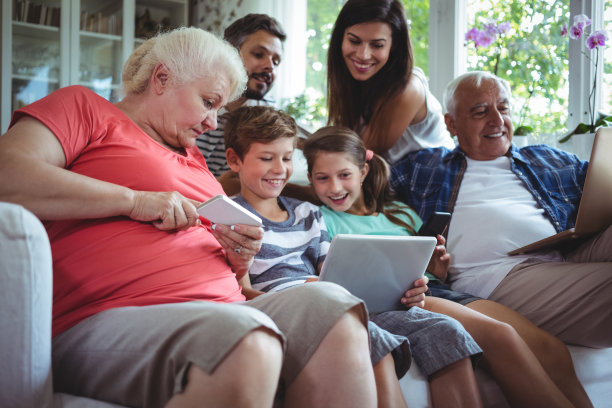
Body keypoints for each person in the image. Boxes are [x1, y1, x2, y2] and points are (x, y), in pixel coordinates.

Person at [0, 27, 379, 408]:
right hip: (110, 315)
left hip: (229, 311)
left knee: (335, 308)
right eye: (208, 102)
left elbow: (237, 283)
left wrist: (239, 261)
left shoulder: (195, 161)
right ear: (162, 78)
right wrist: (134, 201)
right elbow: (7, 174)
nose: (213, 122)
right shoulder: (85, 109)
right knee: (245, 338)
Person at [303, 126, 594, 408]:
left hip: (437, 290)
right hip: (403, 300)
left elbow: (430, 272)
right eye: (322, 178)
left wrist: (437, 266)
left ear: (363, 171)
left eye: (344, 175)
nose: (335, 187)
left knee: (552, 351)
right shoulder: (321, 220)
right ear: (310, 179)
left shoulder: (399, 213)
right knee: (501, 337)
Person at [223, 105, 485, 408]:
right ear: (234, 160)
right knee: (371, 336)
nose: (280, 169)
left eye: (285, 158)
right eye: (267, 158)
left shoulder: (306, 213)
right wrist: (308, 293)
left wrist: (399, 291)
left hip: (336, 298)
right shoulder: (231, 217)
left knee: (446, 329)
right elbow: (240, 291)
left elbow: (333, 272)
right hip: (294, 305)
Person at [390, 70, 612, 350]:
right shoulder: (425, 167)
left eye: (503, 108)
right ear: (452, 124)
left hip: (568, 250)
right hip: (496, 274)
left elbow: (603, 185)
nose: (497, 120)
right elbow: (361, 183)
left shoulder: (546, 157)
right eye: (481, 112)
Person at [326, 0, 455, 165]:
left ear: (393, 46)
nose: (363, 55)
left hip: (439, 181)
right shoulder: (354, 84)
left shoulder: (408, 88)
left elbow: (356, 159)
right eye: (354, 41)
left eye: (377, 45)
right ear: (340, 39)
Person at [196, 13, 285, 177]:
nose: (270, 67)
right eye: (258, 54)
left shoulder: (269, 109)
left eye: (276, 61)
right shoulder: (196, 106)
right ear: (230, 54)